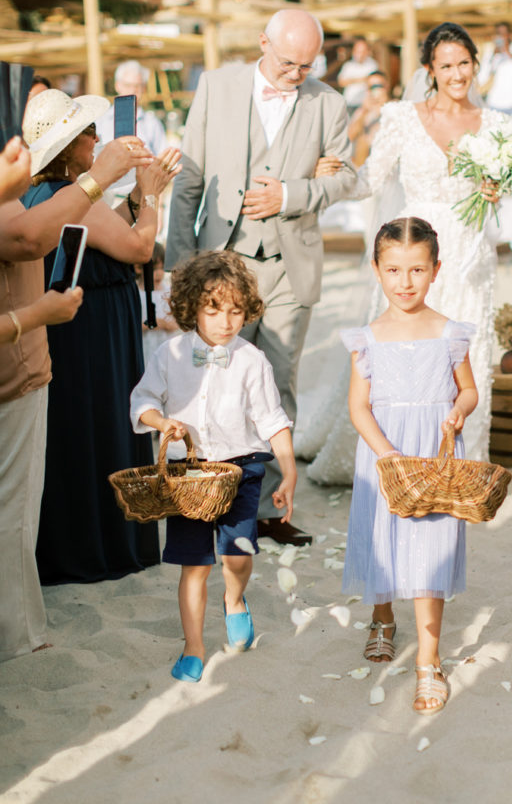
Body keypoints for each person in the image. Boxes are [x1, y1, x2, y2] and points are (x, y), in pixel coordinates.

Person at [165, 8, 356, 546]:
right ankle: (211, 499)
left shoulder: (329, 102)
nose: (297, 74)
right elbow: (190, 180)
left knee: (278, 382)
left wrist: (291, 194)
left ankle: (271, 510)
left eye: (307, 66)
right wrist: (178, 266)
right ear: (262, 44)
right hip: (223, 263)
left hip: (291, 267)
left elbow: (346, 180)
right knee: (216, 381)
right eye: (288, 63)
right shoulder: (216, 86)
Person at [306, 22, 503, 472]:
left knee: (466, 355)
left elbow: (497, 191)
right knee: (399, 353)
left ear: (475, 64)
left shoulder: (493, 125)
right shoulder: (402, 118)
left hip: (469, 255)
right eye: (446, 66)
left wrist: (495, 192)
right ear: (430, 70)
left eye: (464, 63)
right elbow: (368, 182)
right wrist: (333, 172)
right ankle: (393, 454)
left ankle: (460, 465)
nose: (457, 74)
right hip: (412, 249)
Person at [0, 117, 151, 661]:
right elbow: (134, 248)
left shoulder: (36, 196)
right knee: (17, 504)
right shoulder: (57, 196)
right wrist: (35, 315)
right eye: (87, 134)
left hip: (36, 355)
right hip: (25, 364)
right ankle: (19, 634)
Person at [22, 88, 182, 584]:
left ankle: (82, 541)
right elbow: (138, 248)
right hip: (92, 334)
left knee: (80, 430)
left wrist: (135, 197)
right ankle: (100, 547)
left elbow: (110, 229)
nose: (97, 138)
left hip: (82, 328)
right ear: (69, 146)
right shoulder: (70, 197)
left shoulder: (51, 196)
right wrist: (151, 194)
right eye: (89, 132)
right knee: (97, 425)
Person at [130, 250, 297, 683]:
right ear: (191, 307)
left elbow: (272, 419)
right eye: (214, 309)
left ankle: (235, 599)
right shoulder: (169, 354)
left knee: (236, 557)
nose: (226, 321)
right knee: (195, 564)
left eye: (236, 311)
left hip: (242, 470)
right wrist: (162, 422)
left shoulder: (252, 360)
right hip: (188, 475)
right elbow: (142, 400)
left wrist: (290, 471)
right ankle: (194, 647)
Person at [342, 218, 476, 714]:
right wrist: (387, 454)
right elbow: (358, 407)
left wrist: (459, 411)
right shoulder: (368, 338)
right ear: (376, 269)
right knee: (384, 541)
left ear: (436, 270)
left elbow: (468, 389)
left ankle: (428, 660)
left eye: (417, 270)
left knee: (429, 550)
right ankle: (382, 615)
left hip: (433, 456)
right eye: (394, 270)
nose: (405, 282)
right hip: (386, 454)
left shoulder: (449, 333)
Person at [95, 60, 168, 201]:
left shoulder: (152, 123)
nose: (133, 90)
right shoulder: (101, 121)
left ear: (144, 88)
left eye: (138, 86)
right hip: (107, 198)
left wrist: (158, 204)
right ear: (117, 85)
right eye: (128, 85)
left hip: (142, 198)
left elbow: (162, 165)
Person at [347, 70, 390, 165]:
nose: (375, 90)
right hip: (363, 161)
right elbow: (349, 138)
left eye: (378, 86)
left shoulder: (393, 107)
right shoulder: (363, 110)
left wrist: (383, 106)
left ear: (386, 86)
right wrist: (365, 111)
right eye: (371, 87)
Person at [337, 37, 379, 113]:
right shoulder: (348, 65)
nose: (360, 54)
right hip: (350, 102)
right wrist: (361, 79)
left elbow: (374, 82)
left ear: (367, 51)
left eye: (362, 51)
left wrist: (351, 80)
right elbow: (341, 82)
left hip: (365, 105)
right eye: (357, 51)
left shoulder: (372, 65)